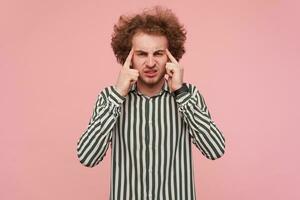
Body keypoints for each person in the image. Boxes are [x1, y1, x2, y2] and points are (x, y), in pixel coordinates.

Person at [77, 6, 225, 200]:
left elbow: (215, 150)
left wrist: (180, 92)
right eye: (141, 54)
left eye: (158, 53)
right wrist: (118, 94)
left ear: (170, 56)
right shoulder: (109, 97)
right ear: (128, 58)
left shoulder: (190, 95)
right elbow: (88, 157)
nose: (150, 63)